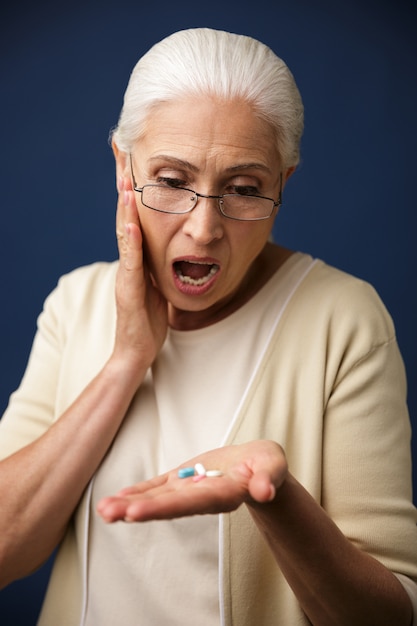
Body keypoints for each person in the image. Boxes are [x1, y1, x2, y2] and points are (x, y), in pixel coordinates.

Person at [0, 27, 416, 626]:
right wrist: (125, 362)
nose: (203, 228)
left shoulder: (344, 319)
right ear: (124, 166)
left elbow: (391, 615)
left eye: (245, 189)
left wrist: (274, 500)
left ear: (283, 184)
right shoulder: (76, 303)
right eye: (171, 181)